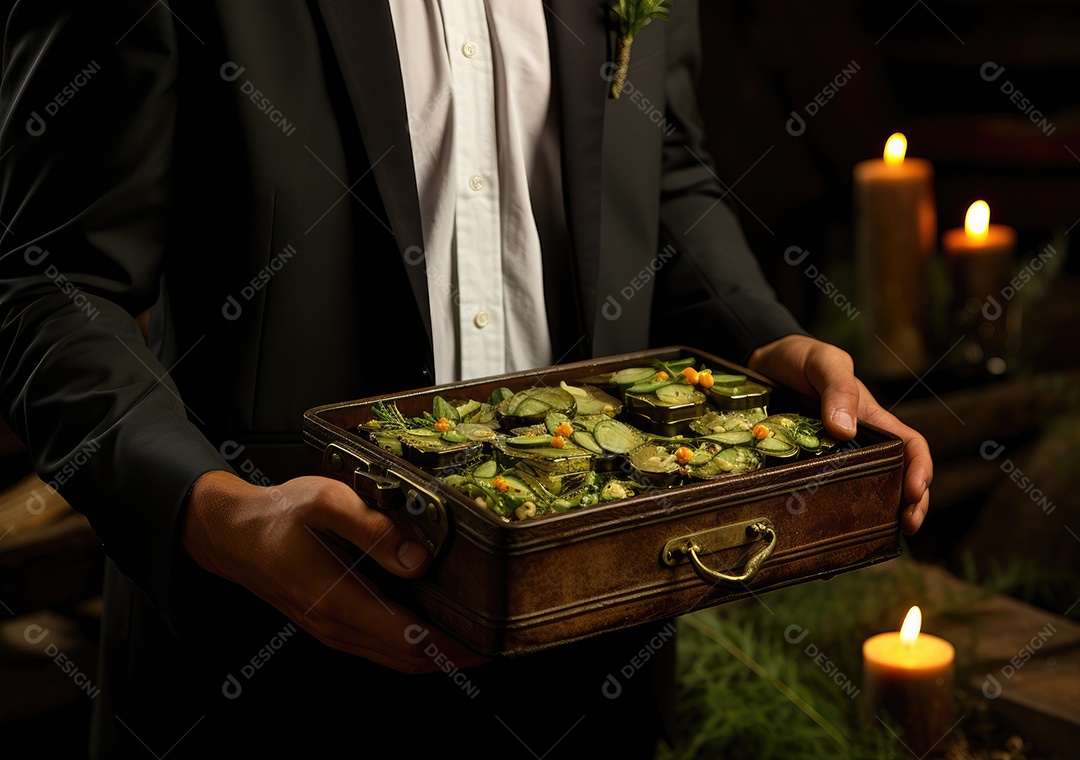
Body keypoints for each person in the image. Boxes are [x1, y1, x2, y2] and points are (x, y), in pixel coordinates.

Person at [0, 1, 931, 757]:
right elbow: (48, 284)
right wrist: (213, 513)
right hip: (263, 658)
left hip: (590, 648)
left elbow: (661, 166)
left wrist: (762, 341)